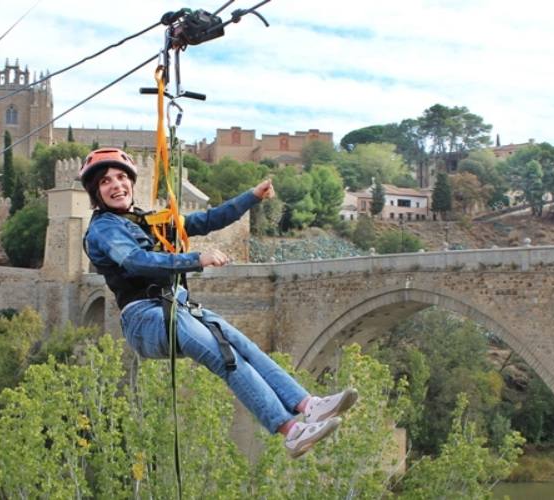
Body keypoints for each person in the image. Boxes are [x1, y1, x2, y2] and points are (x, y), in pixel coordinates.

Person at [81, 148, 357, 458]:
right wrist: (195, 259)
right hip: (146, 319)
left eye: (121, 177)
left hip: (176, 309)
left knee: (244, 348)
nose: (116, 185)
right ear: (96, 192)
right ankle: (291, 431)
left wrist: (251, 196)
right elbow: (135, 261)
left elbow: (208, 220)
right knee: (226, 358)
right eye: (106, 181)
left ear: (131, 182)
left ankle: (309, 405)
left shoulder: (148, 221)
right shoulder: (104, 228)